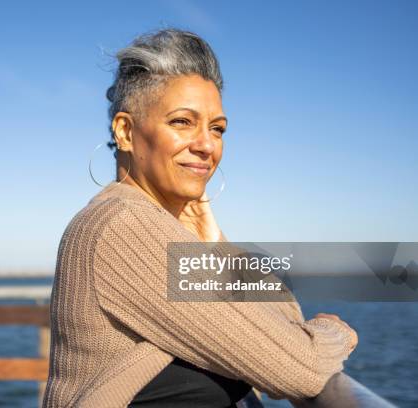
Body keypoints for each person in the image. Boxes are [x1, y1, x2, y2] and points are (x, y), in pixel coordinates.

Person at [42, 28, 358, 408]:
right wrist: (336, 331)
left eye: (217, 128)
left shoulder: (150, 225)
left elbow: (287, 321)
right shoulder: (123, 229)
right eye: (181, 122)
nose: (207, 145)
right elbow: (300, 368)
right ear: (126, 132)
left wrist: (217, 247)